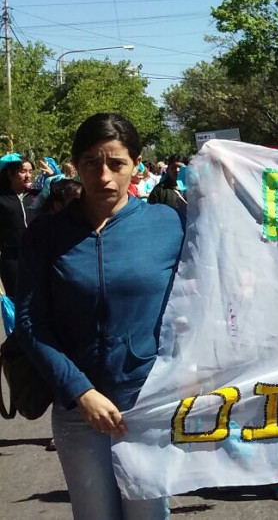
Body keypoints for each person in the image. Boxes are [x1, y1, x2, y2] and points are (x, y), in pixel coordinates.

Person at [16, 113, 185, 519]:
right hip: (79, 410)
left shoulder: (168, 225)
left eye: (116, 163)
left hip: (148, 405)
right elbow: (30, 321)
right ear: (75, 165)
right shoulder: (46, 233)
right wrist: (80, 391)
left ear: (136, 164)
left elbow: (199, 302)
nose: (104, 175)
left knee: (148, 514)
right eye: (91, 162)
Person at [0, 154, 38, 296]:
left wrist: (54, 175)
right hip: (12, 259)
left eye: (30, 171)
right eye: (23, 171)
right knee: (16, 300)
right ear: (10, 174)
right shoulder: (2, 199)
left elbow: (64, 192)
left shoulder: (37, 196)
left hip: (37, 256)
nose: (28, 176)